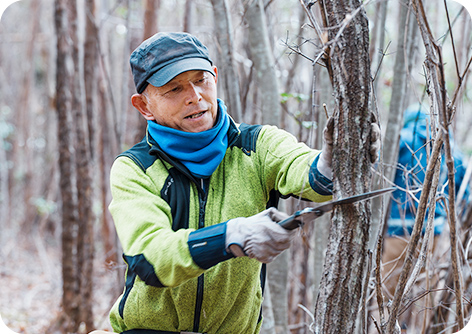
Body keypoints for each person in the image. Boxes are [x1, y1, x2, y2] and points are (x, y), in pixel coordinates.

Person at [91, 32, 381, 334]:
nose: (194, 96)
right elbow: (150, 258)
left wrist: (333, 162)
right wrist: (231, 236)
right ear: (144, 106)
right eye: (174, 88)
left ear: (215, 77)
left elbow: (306, 171)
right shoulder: (135, 168)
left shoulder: (258, 145)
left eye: (201, 80)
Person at [383, 103, 470, 297]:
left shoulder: (402, 139)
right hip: (434, 234)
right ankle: (422, 328)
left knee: (390, 292)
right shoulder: (450, 148)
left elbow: (377, 172)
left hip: (398, 232)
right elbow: (465, 193)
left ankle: (392, 327)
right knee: (427, 294)